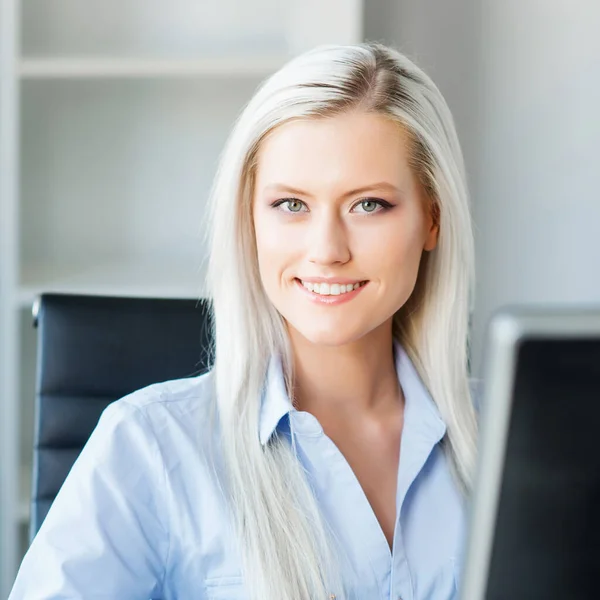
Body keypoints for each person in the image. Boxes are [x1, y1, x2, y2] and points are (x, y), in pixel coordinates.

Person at [9, 42, 478, 600]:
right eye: (291, 205)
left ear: (432, 218)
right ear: (249, 221)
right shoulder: (148, 447)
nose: (327, 250)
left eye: (368, 204)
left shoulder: (513, 436)